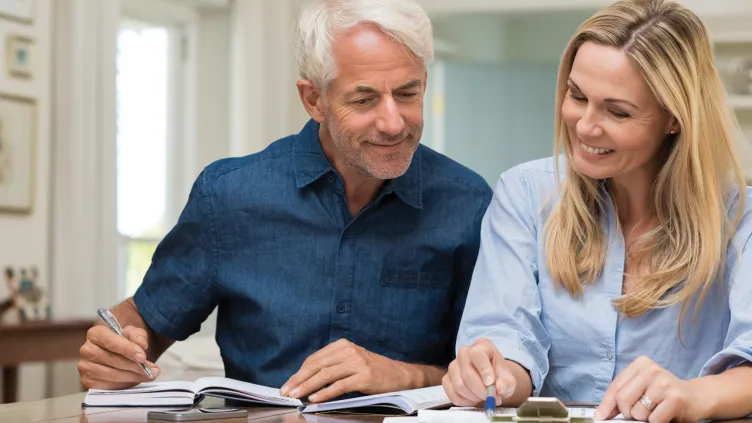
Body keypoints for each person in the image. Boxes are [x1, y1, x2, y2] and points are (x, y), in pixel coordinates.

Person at [77, 0, 492, 404]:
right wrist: (115, 354)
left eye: (407, 93)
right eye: (364, 99)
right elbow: (147, 322)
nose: (392, 122)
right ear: (313, 99)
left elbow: (493, 374)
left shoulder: (467, 204)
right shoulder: (229, 195)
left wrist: (399, 376)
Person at [443, 1, 752, 422]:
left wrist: (695, 395)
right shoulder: (525, 194)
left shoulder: (742, 220)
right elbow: (508, 338)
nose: (585, 126)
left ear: (675, 118)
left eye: (617, 111)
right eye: (577, 96)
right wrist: (494, 375)